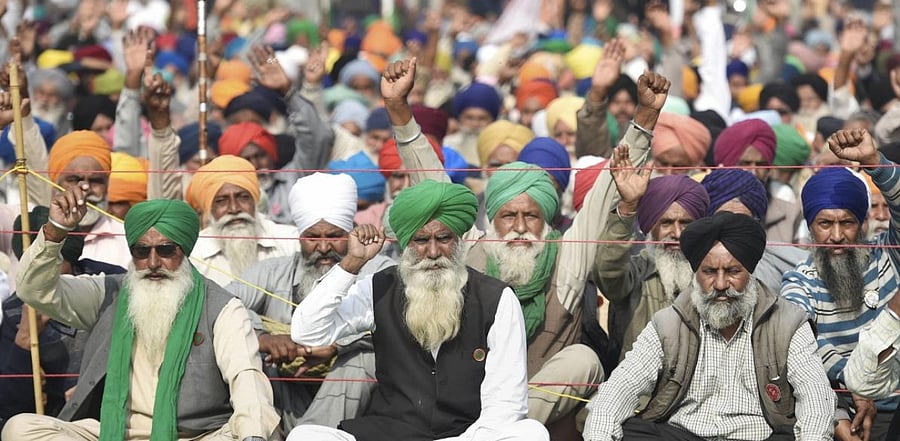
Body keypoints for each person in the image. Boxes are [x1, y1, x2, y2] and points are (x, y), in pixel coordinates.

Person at [381, 58, 671, 435]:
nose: (519, 229)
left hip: (533, 399)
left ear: (547, 220)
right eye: (508, 217)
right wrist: (398, 109)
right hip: (469, 399)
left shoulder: (564, 258)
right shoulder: (472, 252)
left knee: (583, 360)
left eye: (530, 217)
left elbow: (604, 193)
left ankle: (490, 434)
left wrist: (645, 118)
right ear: (491, 221)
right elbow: (430, 183)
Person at [2, 193, 279, 440]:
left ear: (184, 250)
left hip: (193, 435)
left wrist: (253, 436)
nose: (154, 263)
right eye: (142, 251)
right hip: (114, 433)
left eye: (167, 250)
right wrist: (55, 233)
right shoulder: (109, 292)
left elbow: (248, 379)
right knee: (20, 429)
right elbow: (34, 290)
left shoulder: (222, 308)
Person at [286, 180, 548, 441]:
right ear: (406, 244)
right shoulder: (380, 288)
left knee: (531, 433)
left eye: (444, 238)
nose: (433, 252)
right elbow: (307, 332)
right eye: (421, 240)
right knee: (304, 436)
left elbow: (506, 407)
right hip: (390, 434)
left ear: (458, 240)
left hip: (467, 437)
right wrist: (352, 263)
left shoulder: (496, 299)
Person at [584, 212, 836, 441]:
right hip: (684, 434)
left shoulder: (788, 322)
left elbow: (816, 396)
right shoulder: (670, 322)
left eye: (733, 271)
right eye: (709, 272)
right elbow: (622, 385)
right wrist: (600, 433)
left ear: (750, 271)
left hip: (757, 436)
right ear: (696, 273)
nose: (720, 283)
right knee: (634, 432)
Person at [227, 172, 394, 430]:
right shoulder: (273, 271)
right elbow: (222, 303)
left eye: (335, 236)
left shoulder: (378, 267)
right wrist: (263, 337)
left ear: (351, 234)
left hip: (356, 400)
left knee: (361, 358)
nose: (324, 247)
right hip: (286, 392)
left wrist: (338, 345)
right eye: (313, 238)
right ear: (300, 237)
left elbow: (399, 321)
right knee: (251, 356)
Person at [782, 128, 900, 441]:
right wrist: (846, 401)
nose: (836, 236)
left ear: (863, 223)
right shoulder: (799, 282)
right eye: (825, 223)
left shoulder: (887, 254)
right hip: (845, 412)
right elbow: (800, 347)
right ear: (810, 227)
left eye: (846, 222)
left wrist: (875, 161)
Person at [597, 165, 709, 363]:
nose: (677, 233)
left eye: (686, 223)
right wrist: (628, 208)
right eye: (666, 223)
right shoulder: (636, 273)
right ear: (651, 227)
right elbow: (609, 271)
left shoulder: (712, 277)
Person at [187, 155, 299, 287]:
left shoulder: (290, 242)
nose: (234, 209)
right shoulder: (195, 255)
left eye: (243, 198)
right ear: (209, 209)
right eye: (221, 201)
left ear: (255, 201)